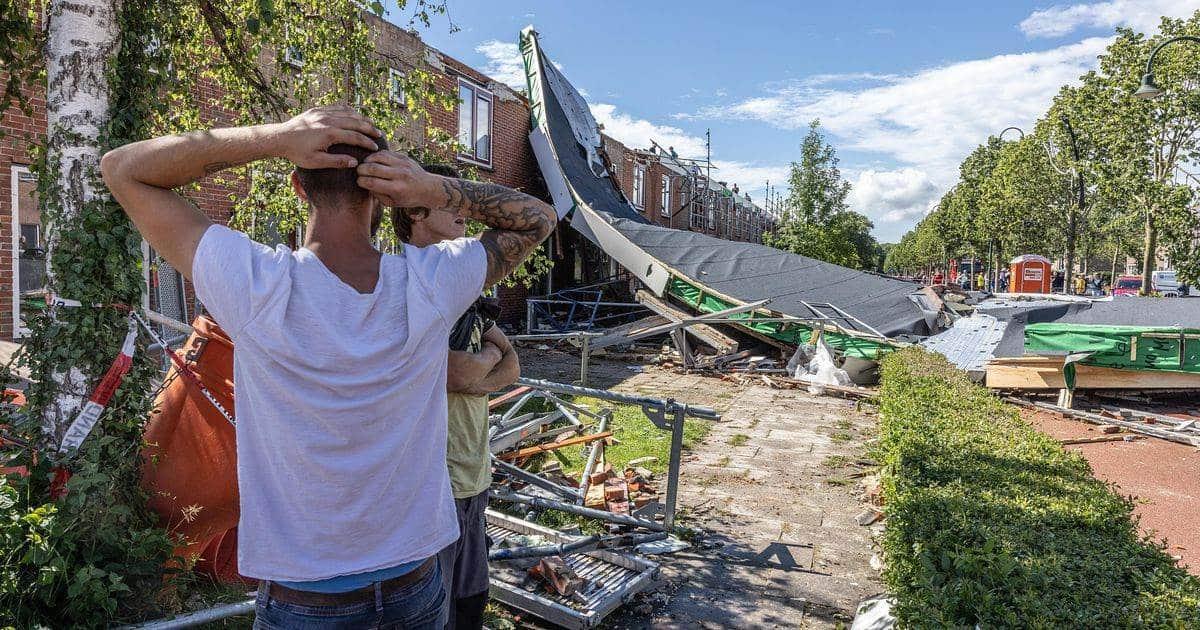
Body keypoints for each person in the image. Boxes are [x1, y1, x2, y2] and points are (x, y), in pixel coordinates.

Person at [100, 106, 556, 628]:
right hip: (415, 583)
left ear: (297, 186)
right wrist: (429, 187)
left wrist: (275, 137)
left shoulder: (255, 285)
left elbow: (122, 167)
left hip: (305, 599)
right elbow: (537, 218)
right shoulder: (432, 284)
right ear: (382, 195)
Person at [392, 164, 520, 629]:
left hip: (474, 474)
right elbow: (455, 369)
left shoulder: (463, 292)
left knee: (471, 604)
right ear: (417, 212)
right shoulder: (402, 283)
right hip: (433, 483)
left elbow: (512, 363)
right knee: (434, 611)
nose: (466, 210)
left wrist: (478, 373)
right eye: (453, 200)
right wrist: (481, 363)